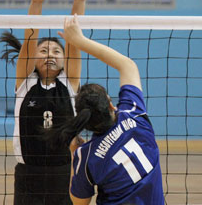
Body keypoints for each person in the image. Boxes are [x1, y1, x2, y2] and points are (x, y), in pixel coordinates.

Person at [0, 0, 101, 205]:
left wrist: (80, 0)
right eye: (43, 50)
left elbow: (74, 41)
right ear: (33, 58)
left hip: (64, 171)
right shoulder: (25, 83)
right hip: (28, 174)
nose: (50, 55)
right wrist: (36, 2)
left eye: (56, 51)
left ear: (64, 60)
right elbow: (30, 38)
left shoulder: (68, 83)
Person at [43, 15, 164, 205]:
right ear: (110, 105)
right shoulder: (134, 115)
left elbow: (79, 202)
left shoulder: (87, 156)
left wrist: (75, 152)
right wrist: (79, 41)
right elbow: (128, 65)